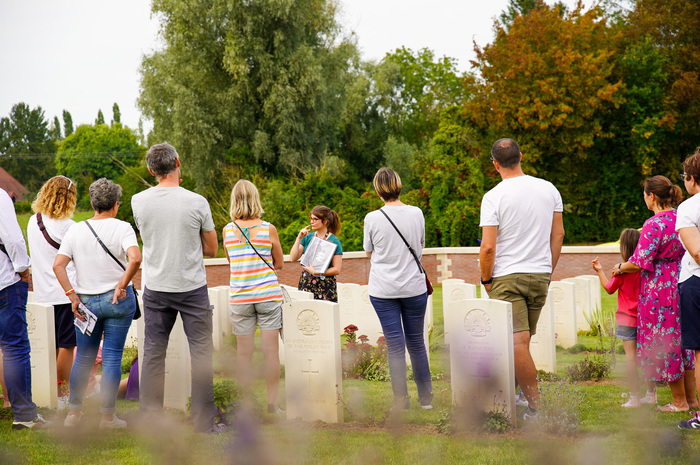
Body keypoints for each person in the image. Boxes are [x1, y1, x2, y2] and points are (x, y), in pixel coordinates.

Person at [132, 142, 225, 433]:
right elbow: (212, 249)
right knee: (201, 356)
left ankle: (150, 420)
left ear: (151, 170)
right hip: (191, 286)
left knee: (153, 355)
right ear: (178, 163)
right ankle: (203, 424)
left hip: (156, 285)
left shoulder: (138, 201)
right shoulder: (197, 201)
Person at [479, 138, 565, 422]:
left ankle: (537, 409)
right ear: (521, 156)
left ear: (495, 164)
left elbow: (488, 247)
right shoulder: (549, 189)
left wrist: (486, 279)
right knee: (522, 342)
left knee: (516, 344)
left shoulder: (493, 196)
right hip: (540, 273)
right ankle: (515, 393)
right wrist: (547, 270)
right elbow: (558, 234)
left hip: (507, 275)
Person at [53, 178, 141, 428]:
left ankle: (73, 415)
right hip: (118, 300)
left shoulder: (76, 229)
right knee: (112, 358)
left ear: (92, 203)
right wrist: (122, 284)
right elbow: (135, 258)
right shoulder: (123, 227)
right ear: (115, 205)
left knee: (83, 359)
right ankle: (107, 417)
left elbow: (58, 264)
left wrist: (71, 295)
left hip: (85, 304)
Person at [612, 175, 696, 412]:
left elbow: (639, 261)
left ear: (651, 196)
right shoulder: (681, 216)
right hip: (682, 278)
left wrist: (620, 267)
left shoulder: (653, 224)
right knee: (683, 343)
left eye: (644, 195)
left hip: (659, 289)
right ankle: (691, 399)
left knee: (665, 342)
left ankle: (679, 402)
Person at [363, 167, 433, 410]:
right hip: (414, 286)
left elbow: (369, 252)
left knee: (395, 345)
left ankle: (401, 401)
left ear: (378, 191)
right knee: (416, 343)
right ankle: (426, 400)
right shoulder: (417, 213)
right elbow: (421, 245)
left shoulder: (372, 218)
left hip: (383, 290)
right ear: (399, 185)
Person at [223, 180, 285, 413]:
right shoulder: (269, 229)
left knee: (243, 355)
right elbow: (278, 263)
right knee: (271, 353)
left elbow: (232, 262)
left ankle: (244, 404)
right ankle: (273, 405)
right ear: (256, 199)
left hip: (240, 297)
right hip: (268, 295)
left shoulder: (228, 230)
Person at [27, 175, 78, 407]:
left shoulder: (32, 221)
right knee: (67, 345)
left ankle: (45, 390)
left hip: (43, 295)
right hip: (66, 293)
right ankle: (61, 392)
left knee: (49, 345)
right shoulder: (70, 227)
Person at [0, 188, 46, 429]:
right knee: (14, 348)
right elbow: (14, 239)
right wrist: (22, 269)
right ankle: (24, 415)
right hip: (3, 282)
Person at [592, 229, 645, 407]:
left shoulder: (621, 271)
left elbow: (609, 288)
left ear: (623, 247)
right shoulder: (645, 269)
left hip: (627, 319)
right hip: (646, 319)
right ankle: (651, 394)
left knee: (630, 358)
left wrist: (599, 271)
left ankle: (634, 397)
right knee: (649, 357)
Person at [675, 149, 700, 428]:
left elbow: (696, 252)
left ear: (692, 179)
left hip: (696, 282)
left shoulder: (690, 207)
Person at [289, 206, 342, 302]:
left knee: (326, 315)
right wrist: (299, 238)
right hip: (307, 282)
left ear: (325, 221)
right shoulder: (307, 237)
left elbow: (336, 269)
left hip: (325, 284)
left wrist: (316, 272)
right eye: (311, 219)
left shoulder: (334, 241)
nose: (311, 222)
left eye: (315, 219)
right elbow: (292, 258)